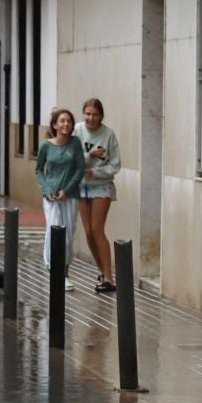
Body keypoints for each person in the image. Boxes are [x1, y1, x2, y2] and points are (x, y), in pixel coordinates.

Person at [74, 98, 121, 292]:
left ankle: (109, 278)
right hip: (82, 186)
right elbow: (71, 157)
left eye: (94, 114)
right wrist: (88, 156)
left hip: (101, 185)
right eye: (87, 114)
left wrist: (96, 172)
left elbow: (115, 165)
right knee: (87, 231)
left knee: (97, 230)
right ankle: (100, 270)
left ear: (101, 116)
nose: (90, 118)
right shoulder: (77, 131)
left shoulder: (108, 135)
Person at [36, 107, 83, 284]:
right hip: (51, 196)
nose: (66, 124)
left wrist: (68, 190)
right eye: (62, 121)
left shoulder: (75, 143)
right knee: (54, 229)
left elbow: (80, 169)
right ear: (55, 124)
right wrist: (47, 190)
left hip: (70, 195)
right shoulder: (46, 146)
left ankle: (65, 273)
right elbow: (39, 170)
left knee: (69, 234)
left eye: (69, 121)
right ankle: (54, 269)